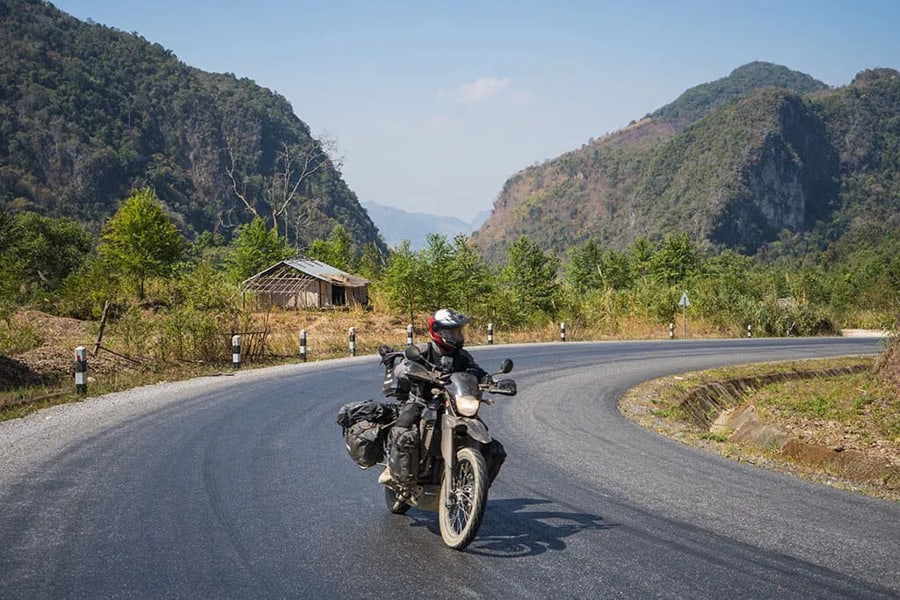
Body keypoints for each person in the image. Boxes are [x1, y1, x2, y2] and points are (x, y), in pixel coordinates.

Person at [379, 308, 491, 485]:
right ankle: (392, 468)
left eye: (458, 331)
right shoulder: (423, 350)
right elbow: (402, 366)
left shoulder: (463, 356)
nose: (456, 335)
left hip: (453, 403)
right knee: (404, 428)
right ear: (436, 331)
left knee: (491, 445)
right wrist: (410, 370)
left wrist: (492, 381)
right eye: (450, 331)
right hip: (422, 401)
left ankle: (475, 485)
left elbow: (477, 372)